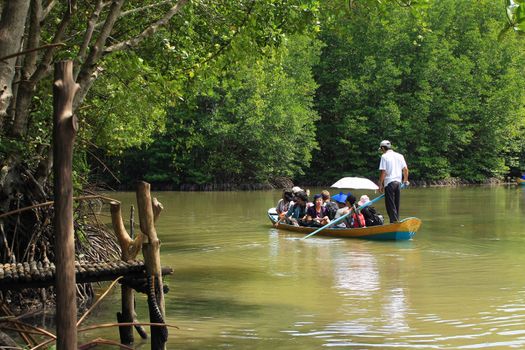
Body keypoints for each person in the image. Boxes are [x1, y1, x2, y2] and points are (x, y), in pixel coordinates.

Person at [377, 140, 409, 223]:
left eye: (381, 149)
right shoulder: (400, 156)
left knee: (390, 205)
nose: (381, 151)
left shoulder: (384, 156)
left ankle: (394, 223)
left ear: (383, 148)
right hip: (398, 183)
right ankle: (396, 221)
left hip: (389, 183)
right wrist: (405, 180)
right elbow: (405, 169)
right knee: (396, 204)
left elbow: (383, 172)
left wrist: (380, 185)